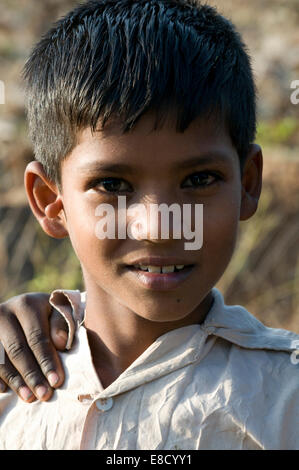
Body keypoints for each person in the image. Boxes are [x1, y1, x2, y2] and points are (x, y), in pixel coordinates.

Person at [0, 0, 298, 450]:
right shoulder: (12, 392)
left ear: (248, 184)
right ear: (50, 202)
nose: (159, 226)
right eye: (112, 184)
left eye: (199, 180)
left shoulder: (285, 399)